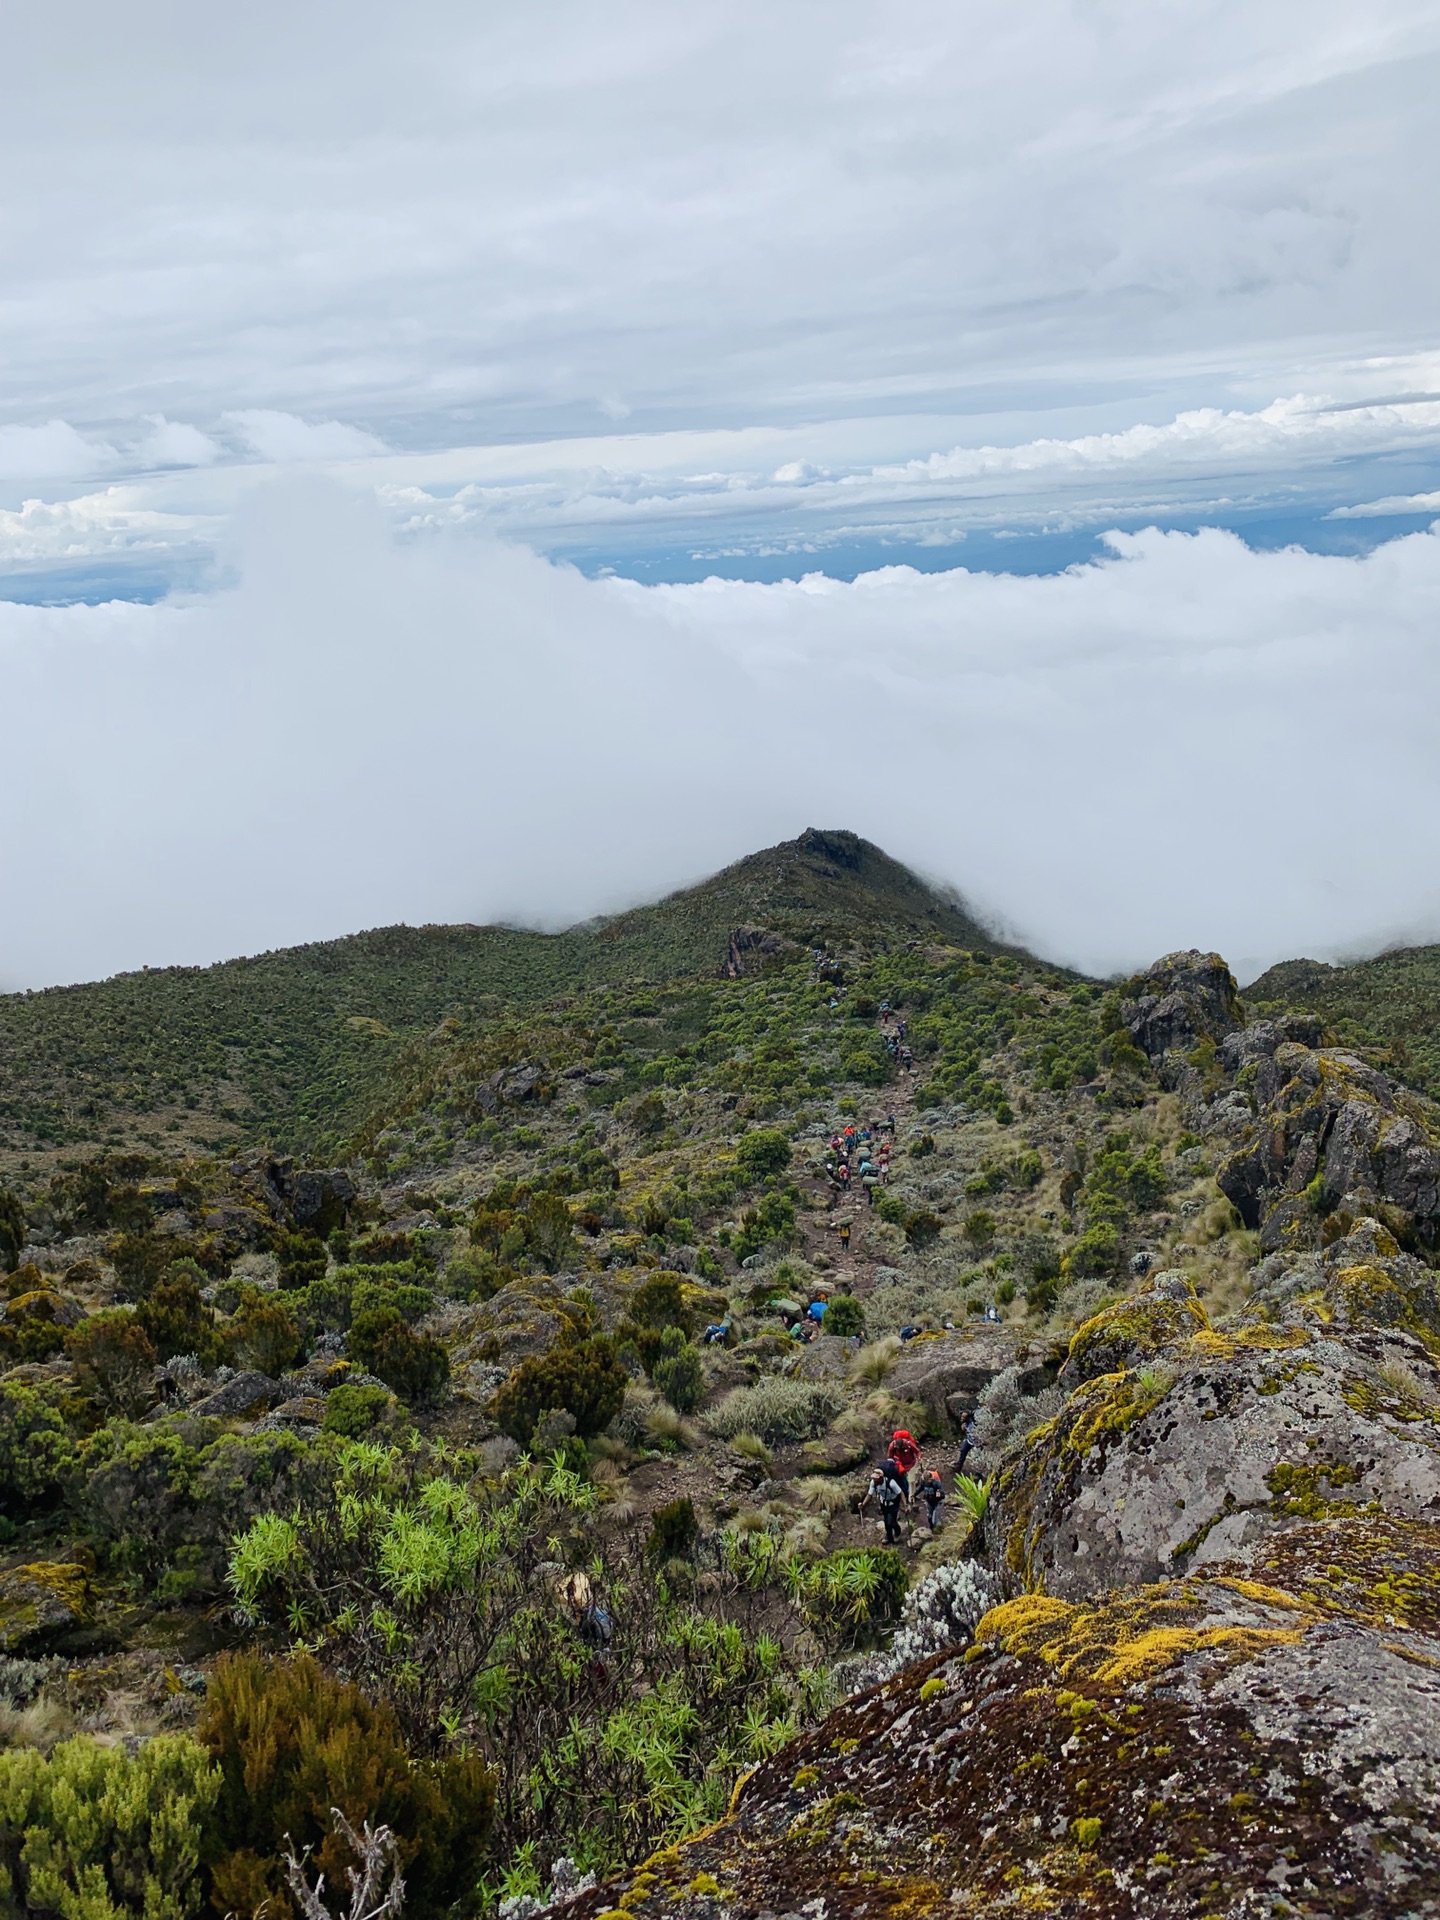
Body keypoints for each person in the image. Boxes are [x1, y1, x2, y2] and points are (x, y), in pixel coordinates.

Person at [887, 1427, 921, 1504]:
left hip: (911, 1463)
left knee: (911, 1481)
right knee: (902, 1480)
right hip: (900, 1464)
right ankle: (903, 1494)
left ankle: (911, 1498)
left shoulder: (908, 1444)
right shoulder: (892, 1446)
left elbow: (917, 1451)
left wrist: (919, 1458)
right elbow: (890, 1457)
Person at [956, 1409, 979, 1474]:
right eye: (962, 1417)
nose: (962, 1418)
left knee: (977, 1457)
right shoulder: (966, 1422)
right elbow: (964, 1429)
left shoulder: (974, 1421)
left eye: (964, 1417)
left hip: (977, 1442)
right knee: (963, 1451)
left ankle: (978, 1473)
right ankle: (958, 1467)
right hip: (969, 1440)